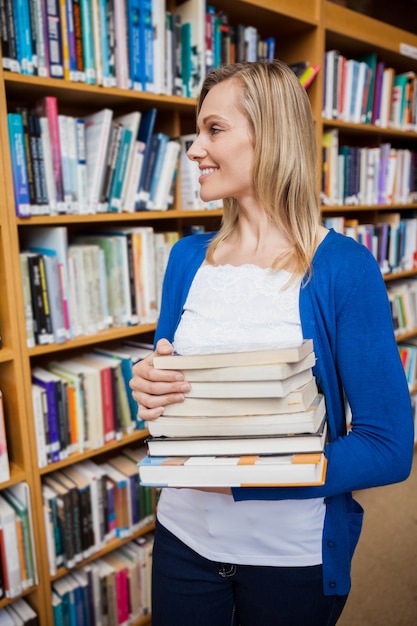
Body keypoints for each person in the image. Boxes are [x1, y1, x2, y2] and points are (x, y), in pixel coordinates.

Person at [129, 60, 414, 626]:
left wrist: (248, 472)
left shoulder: (341, 268)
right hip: (183, 539)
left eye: (213, 130)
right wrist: (150, 390)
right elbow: (169, 406)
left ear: (271, 133)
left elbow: (388, 446)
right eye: (196, 132)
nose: (193, 150)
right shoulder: (187, 258)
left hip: (291, 560)